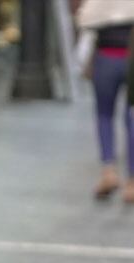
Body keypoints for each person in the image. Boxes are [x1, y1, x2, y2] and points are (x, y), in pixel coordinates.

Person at [76, 0, 134, 202]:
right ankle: (132, 182)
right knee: (131, 118)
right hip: (131, 59)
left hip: (106, 57)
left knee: (104, 115)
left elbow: (85, 19)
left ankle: (108, 171)